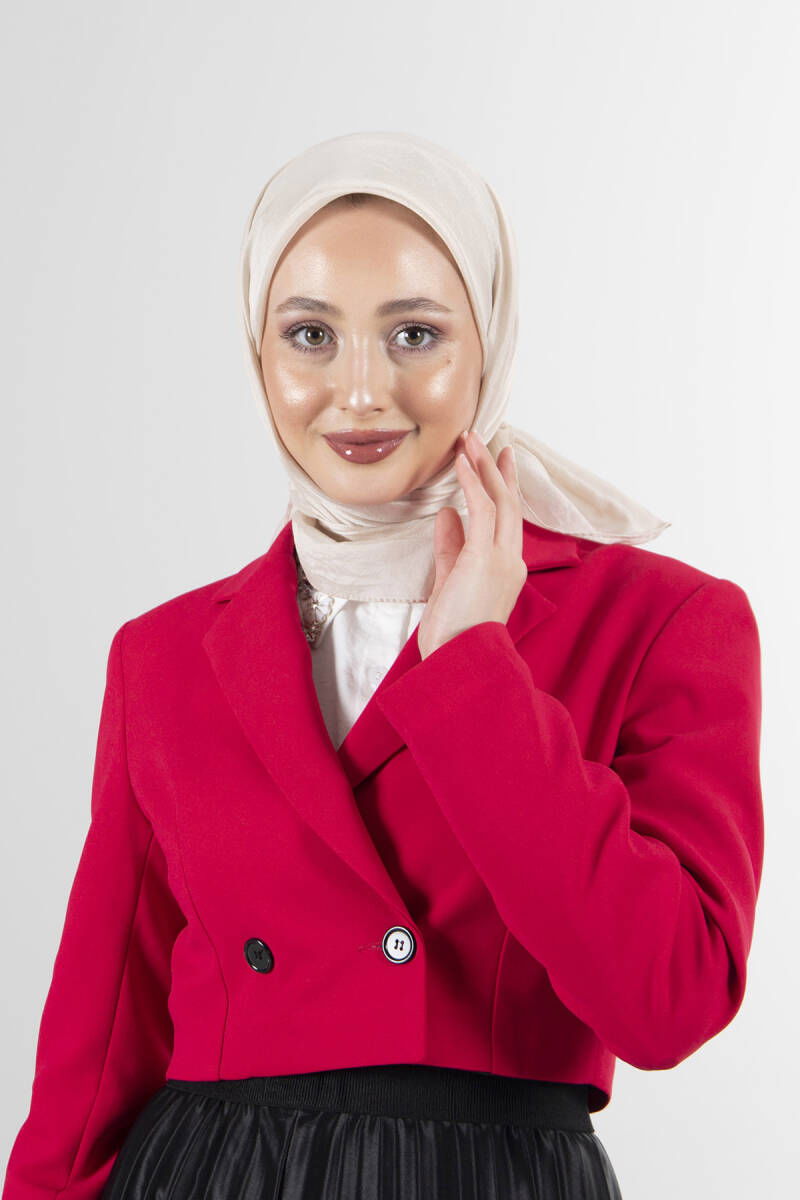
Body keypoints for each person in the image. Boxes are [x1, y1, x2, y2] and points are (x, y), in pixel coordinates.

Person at [2, 131, 763, 1200]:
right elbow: (96, 1048)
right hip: (209, 1174)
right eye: (309, 334)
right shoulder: (161, 656)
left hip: (489, 1174)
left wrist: (475, 672)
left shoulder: (661, 621)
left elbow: (668, 1002)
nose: (358, 392)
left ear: (488, 342)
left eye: (414, 334)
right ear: (257, 352)